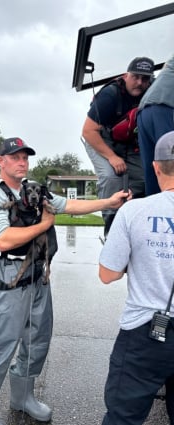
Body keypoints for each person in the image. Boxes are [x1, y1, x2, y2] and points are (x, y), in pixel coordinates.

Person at [0, 137, 130, 425]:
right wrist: (45, 225)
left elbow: (69, 205)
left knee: (38, 340)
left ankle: (23, 397)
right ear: (1, 161)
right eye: (15, 157)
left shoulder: (35, 190)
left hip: (37, 279)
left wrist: (108, 201)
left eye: (25, 157)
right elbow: (3, 240)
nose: (22, 162)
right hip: (8, 281)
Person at [98, 130, 174, 425]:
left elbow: (107, 274)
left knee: (123, 418)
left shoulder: (134, 211)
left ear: (155, 167)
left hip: (145, 332)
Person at [81, 56, 154, 238]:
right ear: (125, 76)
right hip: (99, 139)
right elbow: (88, 131)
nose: (139, 83)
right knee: (111, 176)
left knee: (147, 176)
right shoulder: (110, 95)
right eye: (135, 77)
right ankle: (111, 229)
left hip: (128, 142)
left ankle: (136, 225)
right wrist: (112, 157)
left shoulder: (153, 91)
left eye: (145, 79)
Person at [137, 53, 174, 196]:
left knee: (154, 167)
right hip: (165, 106)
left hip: (145, 110)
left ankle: (152, 210)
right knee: (169, 164)